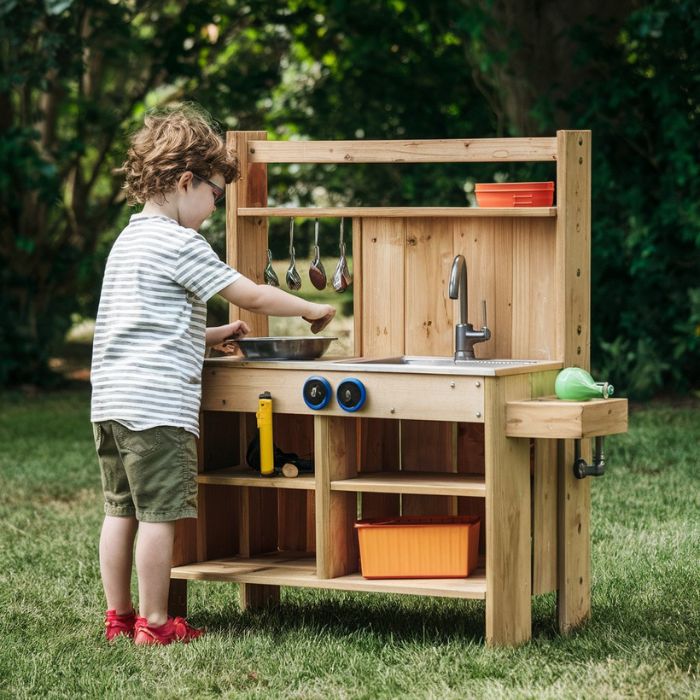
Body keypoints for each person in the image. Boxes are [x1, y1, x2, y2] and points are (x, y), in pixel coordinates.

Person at [90, 105, 335, 645]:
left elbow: (140, 327)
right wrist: (309, 309)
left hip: (110, 405)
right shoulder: (181, 243)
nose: (213, 209)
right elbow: (248, 292)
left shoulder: (128, 241)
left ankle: (119, 618)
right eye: (215, 196)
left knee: (120, 513)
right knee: (159, 517)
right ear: (185, 182)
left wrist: (211, 337)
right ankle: (157, 623)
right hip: (157, 409)